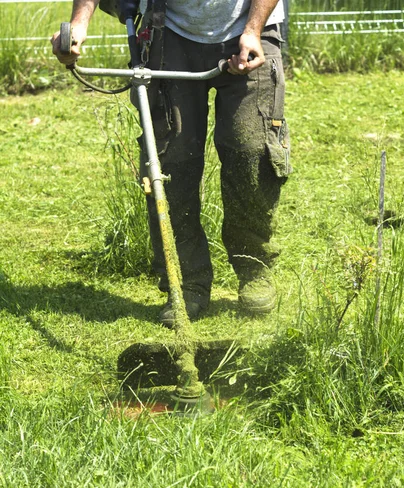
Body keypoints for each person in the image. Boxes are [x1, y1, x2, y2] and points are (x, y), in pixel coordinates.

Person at [51, 0, 291, 328]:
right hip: (171, 33)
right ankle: (185, 282)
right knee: (170, 164)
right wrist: (78, 26)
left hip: (251, 29)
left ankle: (254, 269)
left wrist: (252, 30)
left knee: (251, 154)